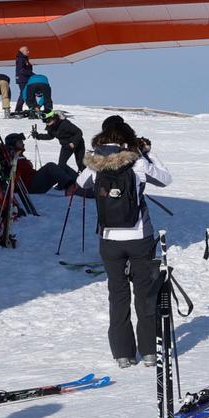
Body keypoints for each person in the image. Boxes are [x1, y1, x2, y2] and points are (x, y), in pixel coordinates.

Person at [72, 115, 172, 367]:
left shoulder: (95, 163)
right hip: (139, 236)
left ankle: (122, 354)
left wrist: (96, 157)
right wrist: (147, 152)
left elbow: (80, 183)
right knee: (144, 293)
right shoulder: (137, 163)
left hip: (109, 239)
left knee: (117, 294)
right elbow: (165, 179)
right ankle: (150, 351)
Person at [13, 46, 35, 112]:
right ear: (22, 51)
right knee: (23, 93)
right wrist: (32, 74)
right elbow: (21, 70)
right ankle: (18, 109)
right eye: (27, 50)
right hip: (22, 79)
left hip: (26, 79)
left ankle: (32, 107)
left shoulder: (24, 59)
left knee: (27, 93)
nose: (28, 52)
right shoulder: (20, 59)